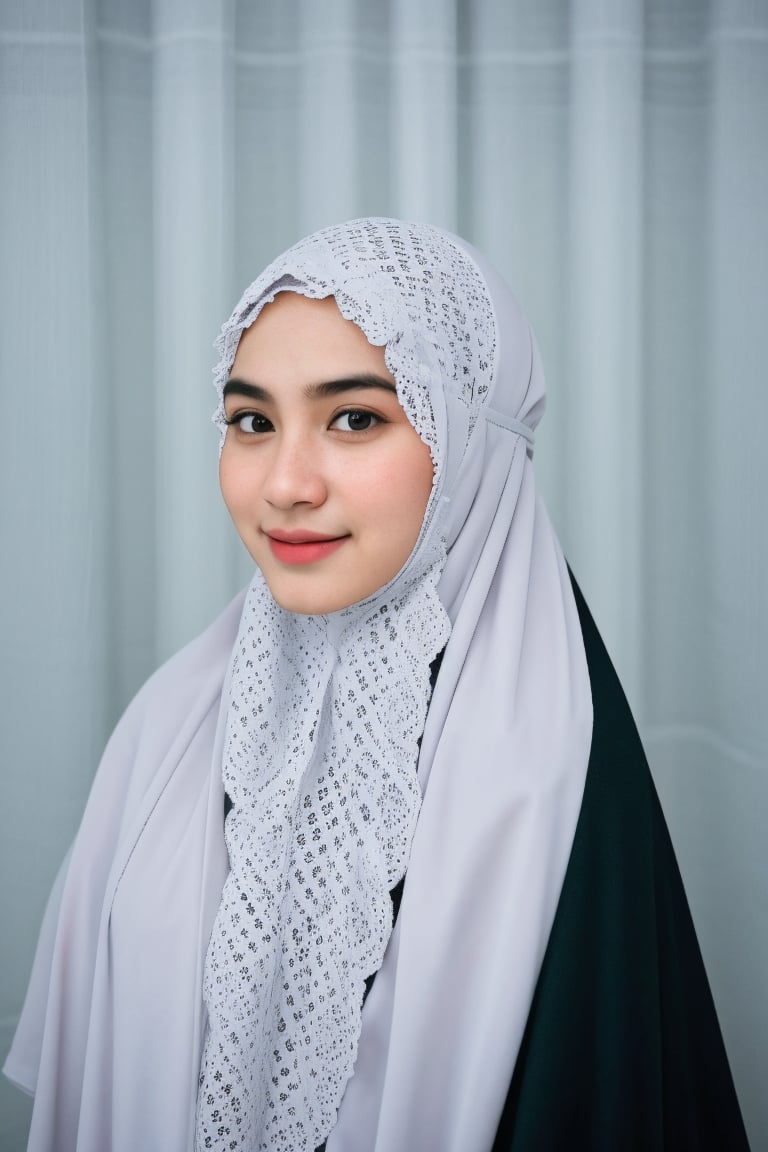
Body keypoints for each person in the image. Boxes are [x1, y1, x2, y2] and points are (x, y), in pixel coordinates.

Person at [4, 218, 749, 1151]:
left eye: (355, 418)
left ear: (473, 441)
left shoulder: (542, 773)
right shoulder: (169, 725)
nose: (285, 483)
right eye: (251, 421)